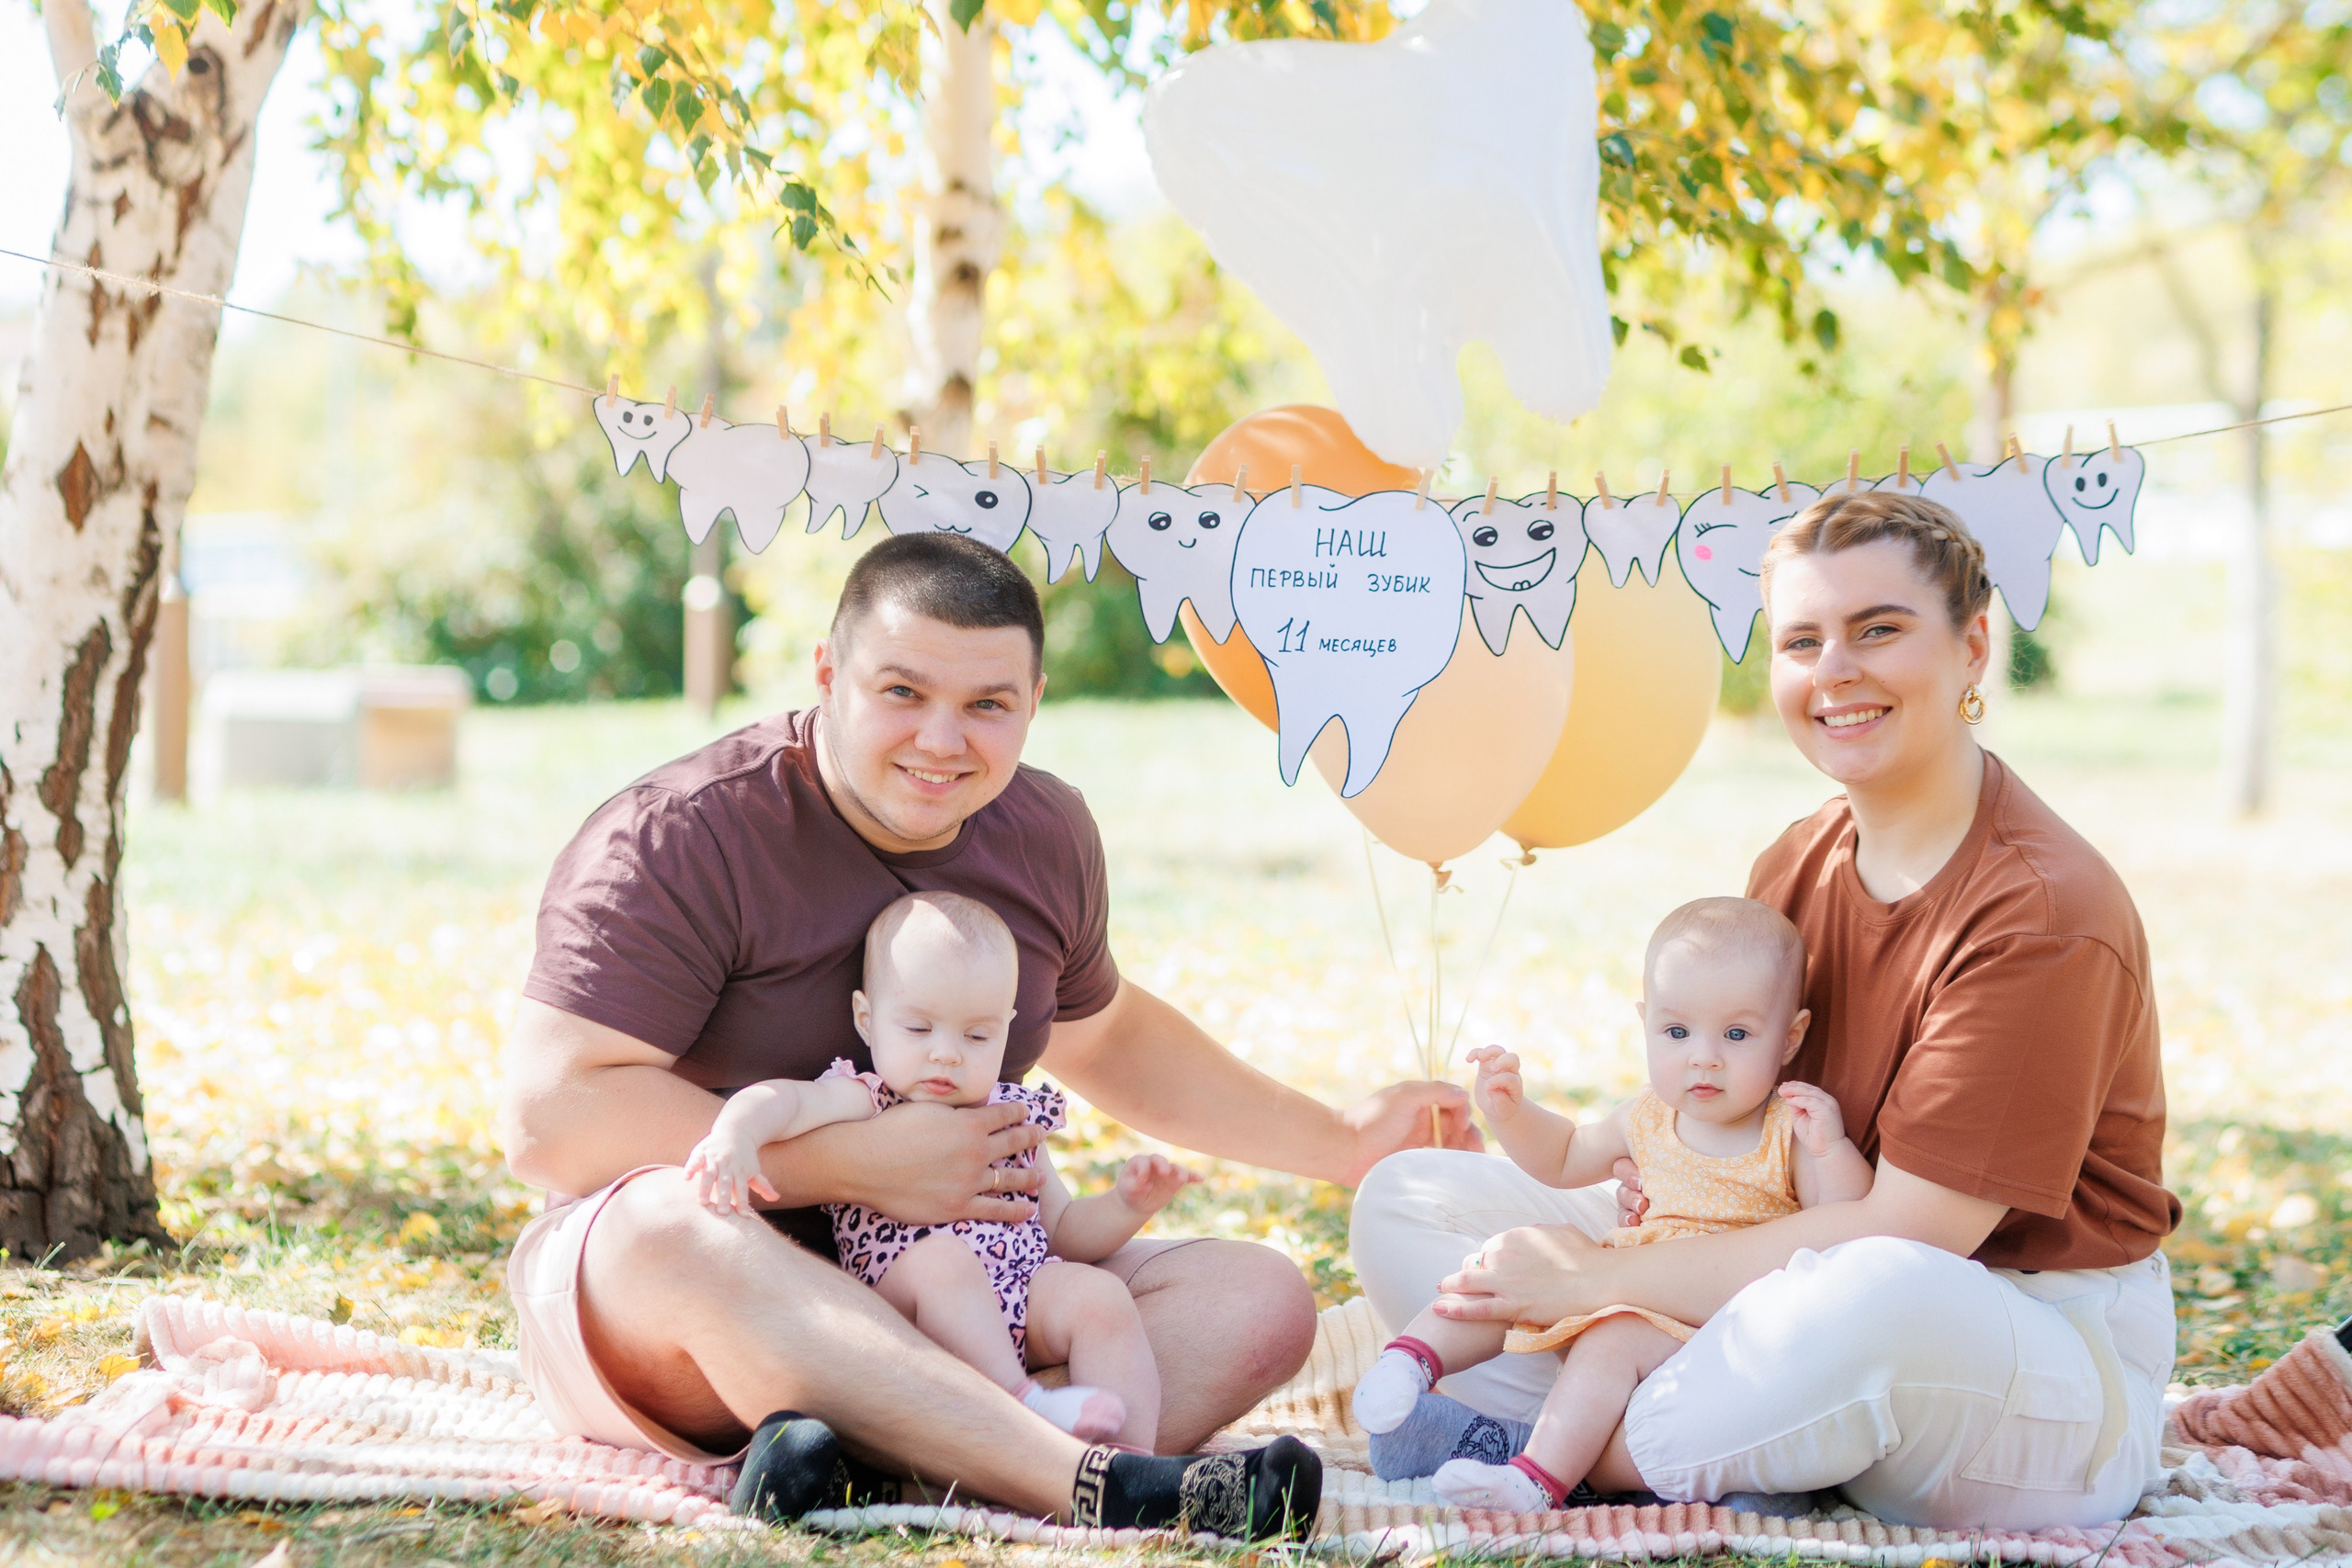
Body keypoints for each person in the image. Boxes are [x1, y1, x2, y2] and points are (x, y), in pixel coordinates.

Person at [498, 532, 1474, 1536]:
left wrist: (1345, 1144)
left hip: (962, 1290)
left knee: (1257, 1298)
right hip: (700, 1304)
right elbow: (550, 1114)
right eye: (902, 693)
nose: (940, 740)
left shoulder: (1043, 831)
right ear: (829, 674)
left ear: (1034, 701)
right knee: (666, 1226)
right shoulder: (683, 833)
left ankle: (862, 1471)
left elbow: (1109, 1037)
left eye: (987, 706)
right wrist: (857, 1163)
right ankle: (1098, 1483)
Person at [1348, 490, 2181, 1530]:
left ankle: (1572, 1439)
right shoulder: (1798, 860)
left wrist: (1585, 1281)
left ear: (1972, 648)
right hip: (1787, 1274)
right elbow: (1731, 1124)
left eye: (1877, 630)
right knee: (1410, 1202)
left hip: (2008, 1335)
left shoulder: (2042, 912)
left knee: (1871, 1296)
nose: (1835, 670)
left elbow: (1913, 1234)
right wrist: (1640, 1202)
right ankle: (1675, 1436)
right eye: (1801, 641)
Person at [1350, 897, 1871, 1511]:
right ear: (1646, 1021)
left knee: (1612, 1341)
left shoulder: (1785, 1130)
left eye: (1736, 1034)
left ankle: (1536, 1476)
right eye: (1677, 1032)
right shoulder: (1649, 1113)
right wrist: (1514, 1114)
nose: (1703, 1056)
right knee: (1515, 1262)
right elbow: (1566, 1155)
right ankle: (1408, 1362)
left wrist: (1832, 1148)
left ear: (1790, 1038)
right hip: (1622, 1283)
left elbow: (1853, 1225)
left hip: (1709, 1319)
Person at [684, 889, 1196, 1450]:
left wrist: (1127, 1205)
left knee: (1099, 1295)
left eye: (977, 1036)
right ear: (867, 1018)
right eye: (919, 1029)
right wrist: (735, 1134)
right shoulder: (870, 1098)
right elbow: (782, 1101)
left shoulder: (1008, 1118)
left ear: (1006, 1029)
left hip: (1017, 1297)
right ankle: (1023, 1404)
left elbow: (1063, 1230)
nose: (947, 1054)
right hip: (900, 1310)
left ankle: (1131, 1465)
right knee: (944, 1264)